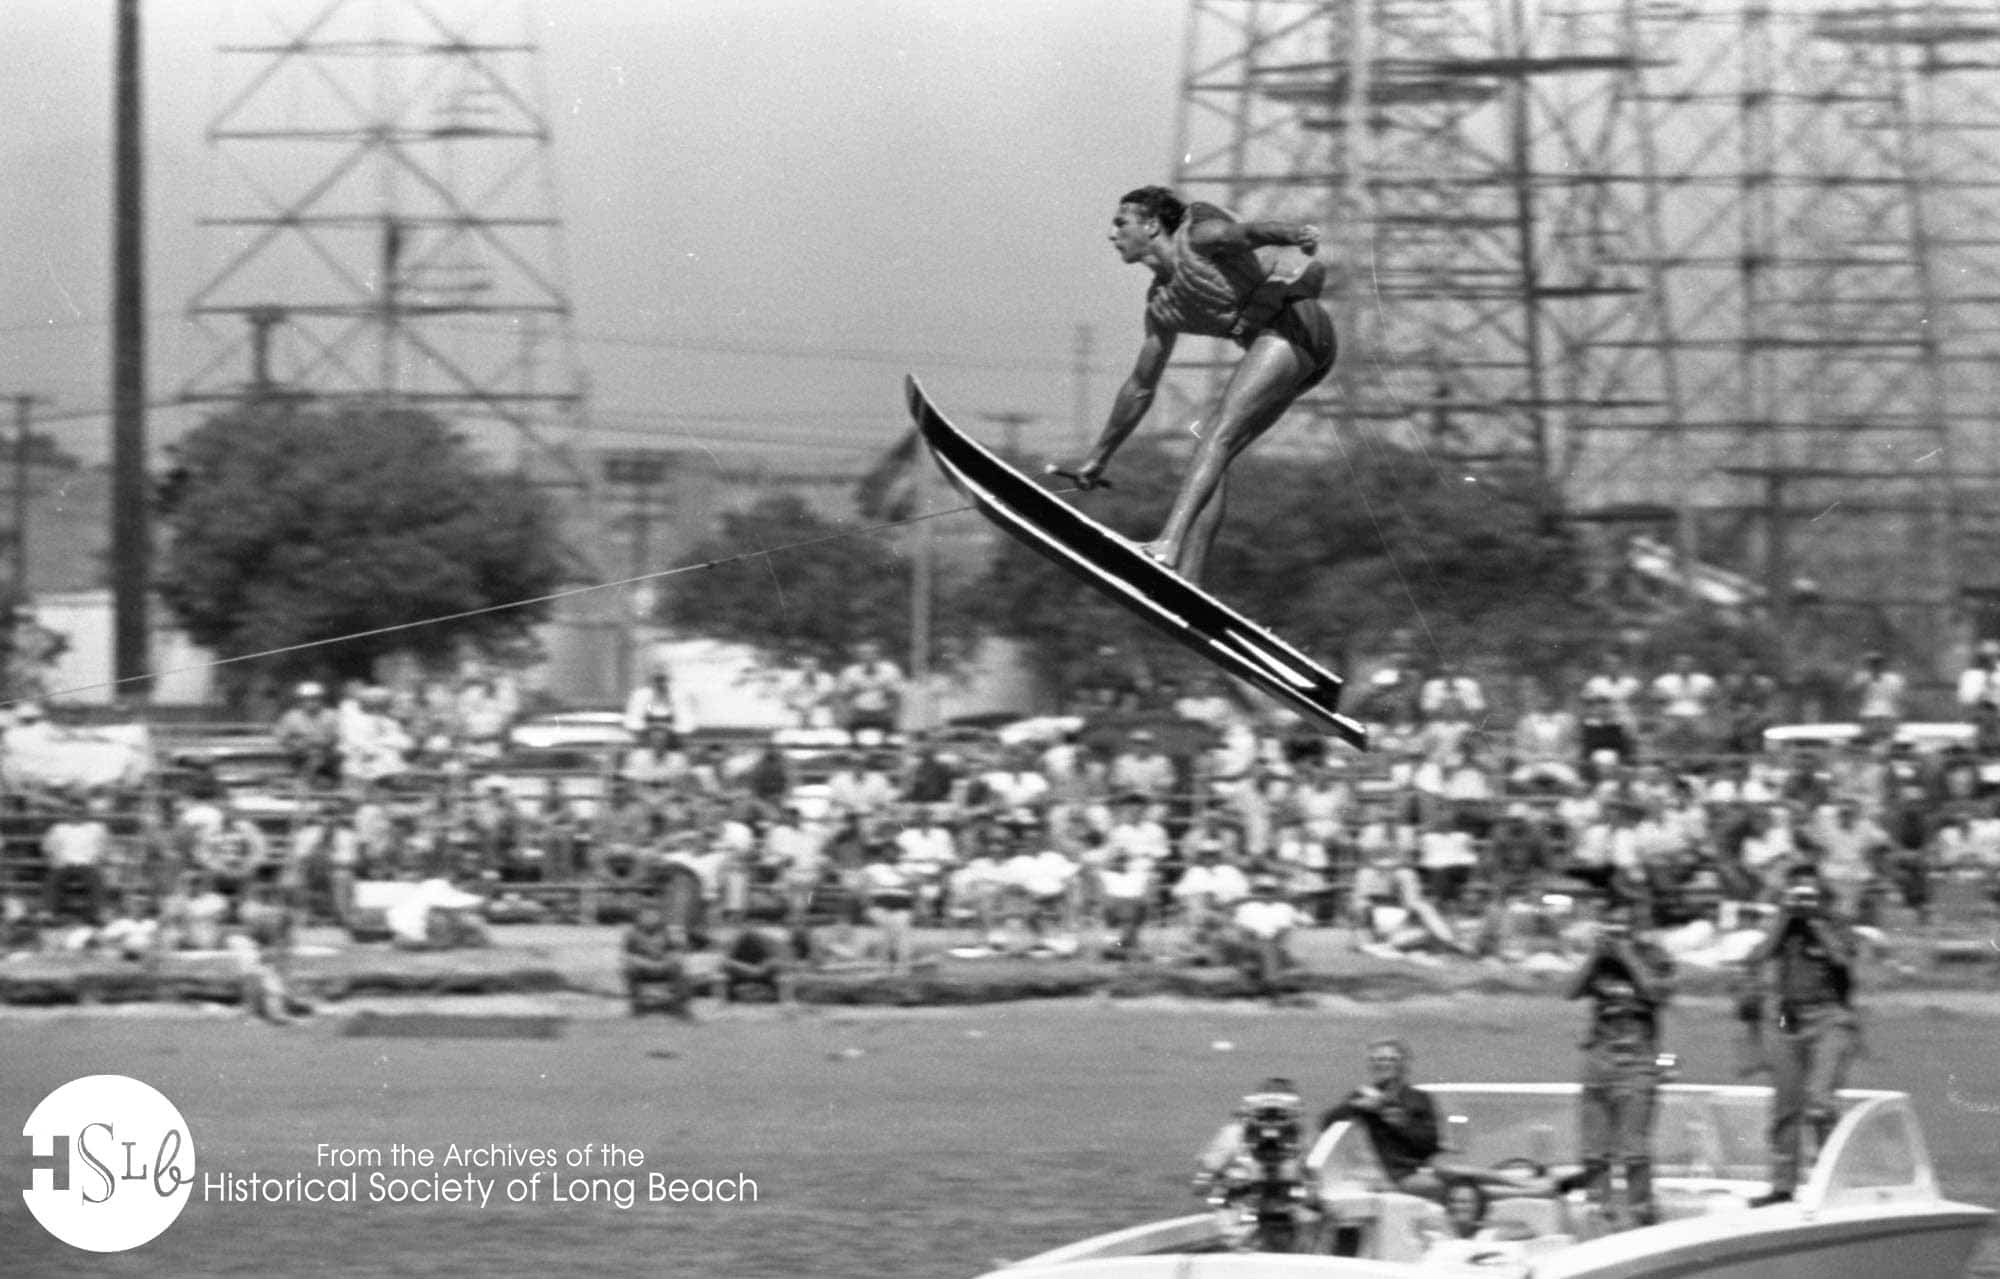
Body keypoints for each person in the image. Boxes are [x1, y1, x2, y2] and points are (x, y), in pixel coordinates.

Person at [1062, 185, 1335, 583]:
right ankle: (1189, 581)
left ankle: (1167, 545)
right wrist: (1099, 456)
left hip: (1296, 325)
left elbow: (1248, 234)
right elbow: (1141, 386)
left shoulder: (1198, 238)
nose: (1112, 234)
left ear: (1152, 225)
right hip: (1304, 356)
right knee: (1214, 449)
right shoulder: (1162, 305)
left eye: (1121, 223)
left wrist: (1295, 233)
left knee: (1216, 436)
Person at [1734, 863, 1863, 1205]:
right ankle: (1782, 1186)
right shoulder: (1783, 925)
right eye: (1798, 893)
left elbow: (1842, 959)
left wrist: (1815, 922)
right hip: (1789, 1019)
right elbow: (1757, 957)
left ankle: (1828, 1182)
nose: (1804, 899)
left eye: (1810, 893)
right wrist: (1785, 918)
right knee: (1785, 1106)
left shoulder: (1834, 923)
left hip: (1828, 1017)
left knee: (1820, 1102)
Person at [1560, 897, 1674, 1227]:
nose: (1618, 931)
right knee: (1595, 1151)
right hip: (1600, 1057)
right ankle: (1600, 1212)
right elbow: (1570, 991)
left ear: (1636, 927)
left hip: (1637, 1061)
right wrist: (1596, 955)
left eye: (1624, 925)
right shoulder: (1600, 962)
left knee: (1634, 1151)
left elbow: (1656, 994)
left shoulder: (1655, 957)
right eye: (1612, 925)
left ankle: (1641, 1214)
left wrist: (1627, 955)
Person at [1319, 1038, 1443, 1196]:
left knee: (1463, 1178)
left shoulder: (1419, 1098)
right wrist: (1356, 1105)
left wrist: (1402, 1124)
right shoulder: (1364, 1095)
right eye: (1379, 1059)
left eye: (1391, 1059)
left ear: (1402, 1064)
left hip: (1423, 1168)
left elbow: (1431, 1143)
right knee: (1448, 1188)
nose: (1384, 1064)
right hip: (1394, 1175)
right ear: (1371, 1065)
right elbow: (1325, 1123)